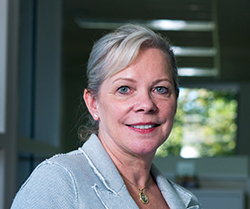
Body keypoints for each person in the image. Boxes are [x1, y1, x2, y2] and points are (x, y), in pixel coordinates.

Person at [11, 24, 202, 208]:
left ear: (175, 102)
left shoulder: (184, 201)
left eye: (160, 89)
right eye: (124, 89)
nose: (146, 104)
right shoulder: (57, 182)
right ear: (93, 103)